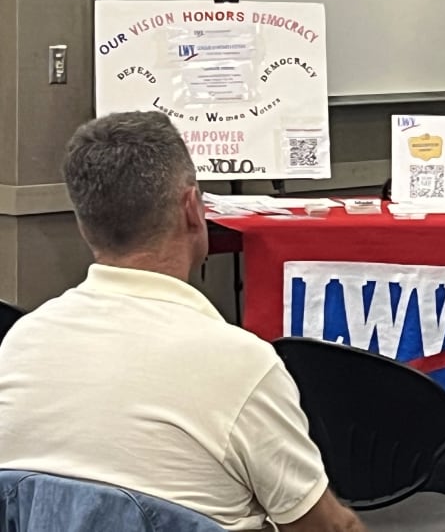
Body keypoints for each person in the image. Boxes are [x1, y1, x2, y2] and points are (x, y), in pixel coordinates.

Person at [0, 112, 364, 532]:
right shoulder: (242, 365)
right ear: (192, 209)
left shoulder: (20, 343)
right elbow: (326, 529)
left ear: (84, 225)